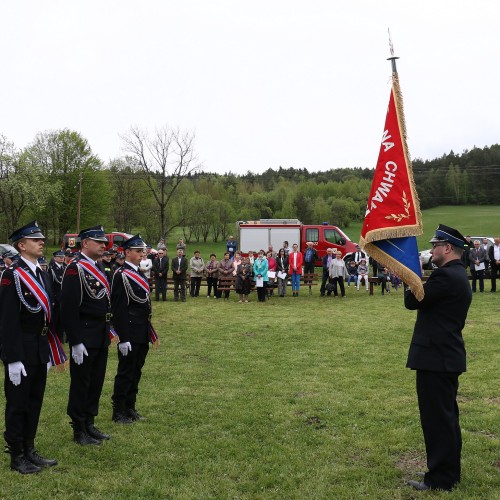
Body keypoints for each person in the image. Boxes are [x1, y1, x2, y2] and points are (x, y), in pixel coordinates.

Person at [405, 224, 472, 492]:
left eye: (435, 245)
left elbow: (413, 302)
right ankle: (446, 473)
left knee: (438, 421)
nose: (431, 250)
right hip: (443, 358)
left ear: (448, 248)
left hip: (437, 358)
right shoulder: (455, 275)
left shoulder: (445, 277)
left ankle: (441, 479)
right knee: (445, 419)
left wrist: (408, 275)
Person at [0, 221, 58, 473]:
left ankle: (29, 448)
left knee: (34, 401)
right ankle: (17, 456)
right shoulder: (11, 275)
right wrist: (12, 358)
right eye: (35, 239)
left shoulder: (41, 273)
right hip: (20, 350)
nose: (41, 241)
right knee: (18, 404)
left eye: (41, 238)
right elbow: (7, 320)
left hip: (38, 347)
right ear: (21, 245)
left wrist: (45, 350)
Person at [61, 225, 112, 446]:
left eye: (104, 242)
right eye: (99, 242)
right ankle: (79, 427)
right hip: (85, 333)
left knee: (96, 381)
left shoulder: (98, 266)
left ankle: (90, 422)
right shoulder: (75, 269)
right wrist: (76, 340)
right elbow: (68, 308)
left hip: (100, 334)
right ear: (85, 244)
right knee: (81, 382)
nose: (104, 245)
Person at [111, 235, 152, 423]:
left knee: (137, 370)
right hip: (129, 329)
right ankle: (119, 411)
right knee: (126, 371)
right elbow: (119, 308)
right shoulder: (121, 274)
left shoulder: (139, 272)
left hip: (142, 328)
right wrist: (123, 337)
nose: (141, 253)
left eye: (142, 250)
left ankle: (130, 407)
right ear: (127, 252)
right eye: (137, 251)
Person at [49, 249, 66, 343]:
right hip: (56, 297)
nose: (61, 258)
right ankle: (55, 338)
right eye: (59, 257)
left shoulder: (66, 268)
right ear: (55, 258)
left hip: (64, 298)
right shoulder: (51, 269)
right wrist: (52, 299)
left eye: (62, 257)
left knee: (63, 319)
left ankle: (61, 338)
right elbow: (50, 285)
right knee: (56, 319)